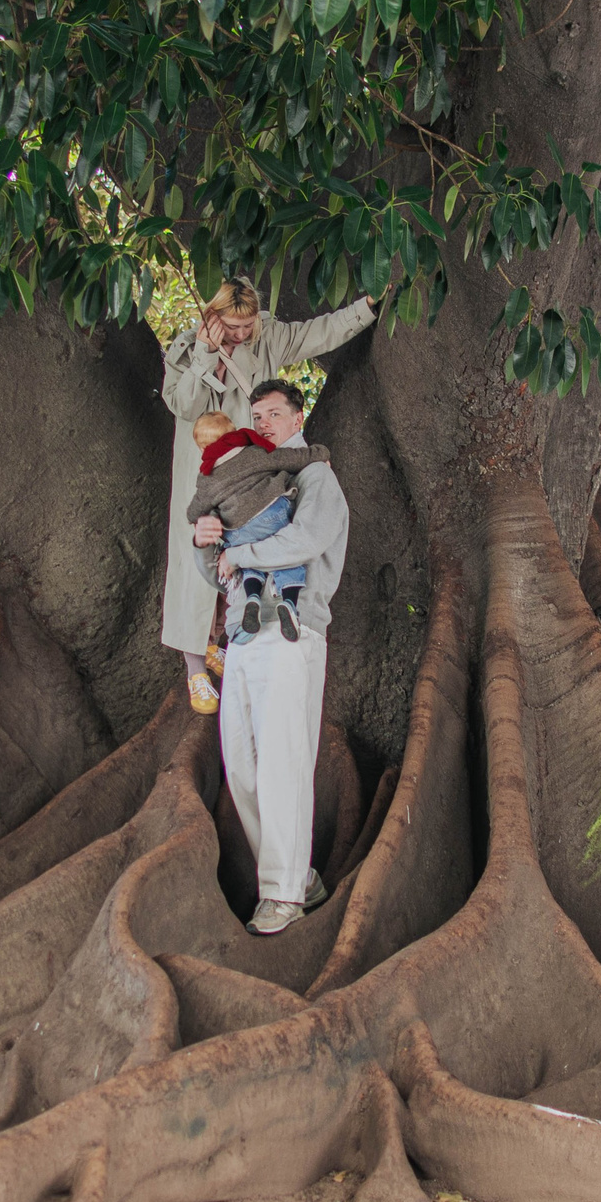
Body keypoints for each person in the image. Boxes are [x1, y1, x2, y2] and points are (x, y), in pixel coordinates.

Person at [160, 278, 374, 714]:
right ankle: (194, 667)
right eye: (231, 327)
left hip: (257, 475)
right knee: (195, 558)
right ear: (213, 317)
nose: (240, 335)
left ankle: (221, 639)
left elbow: (321, 332)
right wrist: (206, 355)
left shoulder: (268, 337)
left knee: (247, 550)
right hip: (205, 474)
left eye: (246, 326)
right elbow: (182, 405)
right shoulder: (185, 349)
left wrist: (367, 306)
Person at [194, 378, 348, 935]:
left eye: (274, 414)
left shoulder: (313, 476)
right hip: (241, 634)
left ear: (296, 417)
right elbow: (217, 571)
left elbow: (307, 540)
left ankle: (281, 896)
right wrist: (206, 541)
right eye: (256, 416)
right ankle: (299, 876)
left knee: (284, 763)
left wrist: (241, 550)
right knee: (243, 766)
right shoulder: (248, 476)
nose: (263, 424)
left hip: (292, 631)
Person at [182, 409, 329, 644]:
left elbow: (194, 511)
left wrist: (197, 519)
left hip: (239, 529)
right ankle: (289, 602)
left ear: (201, 449)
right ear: (233, 433)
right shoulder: (254, 453)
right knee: (287, 561)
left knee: (248, 561)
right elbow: (289, 458)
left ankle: (253, 597)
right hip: (273, 514)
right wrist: (320, 453)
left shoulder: (206, 479)